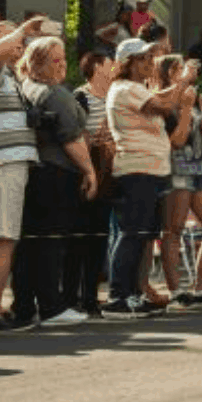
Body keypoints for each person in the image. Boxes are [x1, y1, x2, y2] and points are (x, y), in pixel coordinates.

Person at [104, 37, 196, 319]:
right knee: (133, 233)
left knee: (143, 235)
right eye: (142, 59)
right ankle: (118, 296)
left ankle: (133, 293)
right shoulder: (124, 88)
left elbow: (162, 101)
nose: (148, 64)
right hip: (137, 169)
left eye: (148, 58)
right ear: (127, 63)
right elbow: (165, 104)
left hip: (151, 169)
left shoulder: (135, 88)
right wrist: (183, 81)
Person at [12, 37, 97, 326]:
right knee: (51, 242)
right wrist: (90, 171)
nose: (62, 65)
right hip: (56, 172)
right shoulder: (54, 94)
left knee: (31, 243)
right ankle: (51, 306)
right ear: (36, 64)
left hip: (35, 173)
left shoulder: (25, 87)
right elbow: (71, 138)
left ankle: (24, 307)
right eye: (55, 60)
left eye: (63, 59)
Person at [0, 16, 45, 330]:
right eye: (13, 40)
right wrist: (21, 30)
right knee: (4, 239)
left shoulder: (5, 76)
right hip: (2, 164)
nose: (20, 45)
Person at [156, 55, 202, 308]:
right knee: (173, 229)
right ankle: (176, 290)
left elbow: (199, 133)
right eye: (178, 69)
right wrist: (187, 107)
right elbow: (176, 139)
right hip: (177, 167)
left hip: (200, 166)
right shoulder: (165, 100)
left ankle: (201, 286)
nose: (186, 73)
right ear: (167, 74)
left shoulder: (189, 96)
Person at [71, 51, 115, 316]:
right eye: (109, 64)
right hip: (87, 173)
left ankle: (91, 296)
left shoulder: (113, 96)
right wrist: (98, 139)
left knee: (100, 238)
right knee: (82, 239)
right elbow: (78, 137)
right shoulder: (80, 97)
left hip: (110, 174)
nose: (114, 68)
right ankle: (75, 296)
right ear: (97, 67)